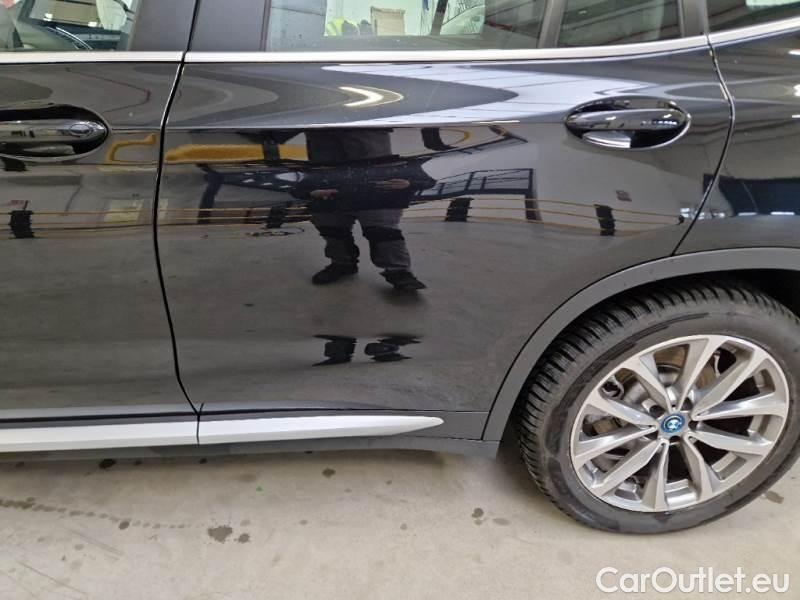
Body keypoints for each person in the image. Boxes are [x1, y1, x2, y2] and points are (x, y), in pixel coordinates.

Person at [293, 129, 434, 291]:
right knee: (332, 230)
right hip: (333, 190)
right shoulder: (322, 161)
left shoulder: (386, 161)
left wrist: (408, 183)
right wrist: (311, 192)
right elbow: (300, 186)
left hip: (374, 194)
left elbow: (426, 180)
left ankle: (399, 271)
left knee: (382, 233)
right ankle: (343, 263)